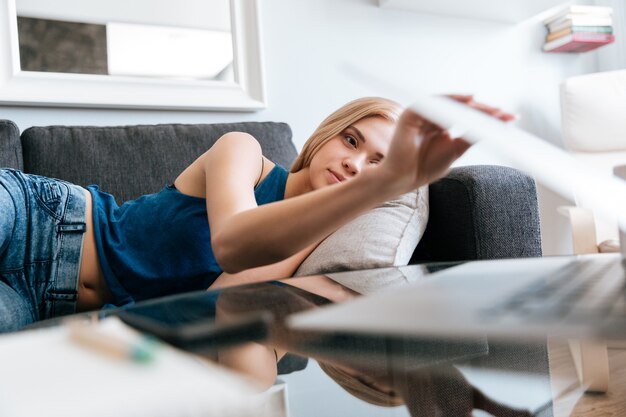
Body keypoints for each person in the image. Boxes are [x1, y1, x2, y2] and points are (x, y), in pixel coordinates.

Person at [0, 95, 501, 333]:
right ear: (326, 134)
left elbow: (219, 306)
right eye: (352, 141)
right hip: (42, 218)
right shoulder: (244, 153)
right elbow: (233, 242)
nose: (354, 163)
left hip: (45, 307)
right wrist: (386, 181)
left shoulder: (304, 243)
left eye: (376, 164)